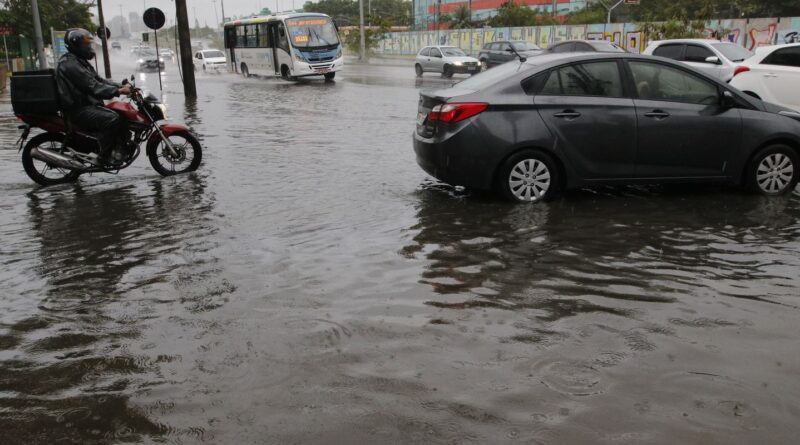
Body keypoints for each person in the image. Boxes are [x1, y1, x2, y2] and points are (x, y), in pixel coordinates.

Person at [55, 28, 131, 161]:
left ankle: (117, 148)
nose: (89, 48)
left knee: (121, 115)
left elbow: (99, 80)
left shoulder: (79, 61)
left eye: (89, 44)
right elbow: (93, 87)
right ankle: (103, 156)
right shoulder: (70, 64)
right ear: (76, 45)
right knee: (113, 119)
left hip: (86, 105)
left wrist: (121, 86)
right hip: (78, 109)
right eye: (86, 45)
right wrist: (117, 91)